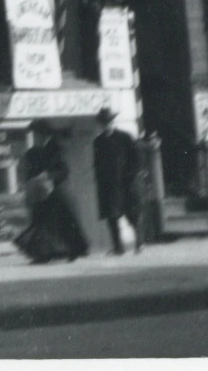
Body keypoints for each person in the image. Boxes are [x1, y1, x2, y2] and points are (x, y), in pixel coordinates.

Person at [16, 120, 90, 263]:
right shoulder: (31, 153)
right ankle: (42, 255)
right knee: (40, 224)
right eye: (35, 135)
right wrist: (32, 182)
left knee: (62, 223)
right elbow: (27, 174)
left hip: (56, 191)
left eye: (38, 135)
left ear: (45, 135)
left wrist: (48, 176)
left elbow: (64, 171)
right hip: (39, 194)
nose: (36, 138)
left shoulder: (56, 149)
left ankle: (70, 252)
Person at [92, 106, 143, 255]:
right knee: (112, 217)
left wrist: (131, 175)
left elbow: (137, 159)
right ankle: (118, 247)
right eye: (104, 122)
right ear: (101, 124)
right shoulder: (98, 142)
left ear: (113, 122)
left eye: (109, 121)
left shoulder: (125, 137)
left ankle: (139, 244)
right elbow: (97, 163)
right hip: (108, 185)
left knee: (132, 214)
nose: (107, 125)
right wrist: (99, 179)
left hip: (125, 183)